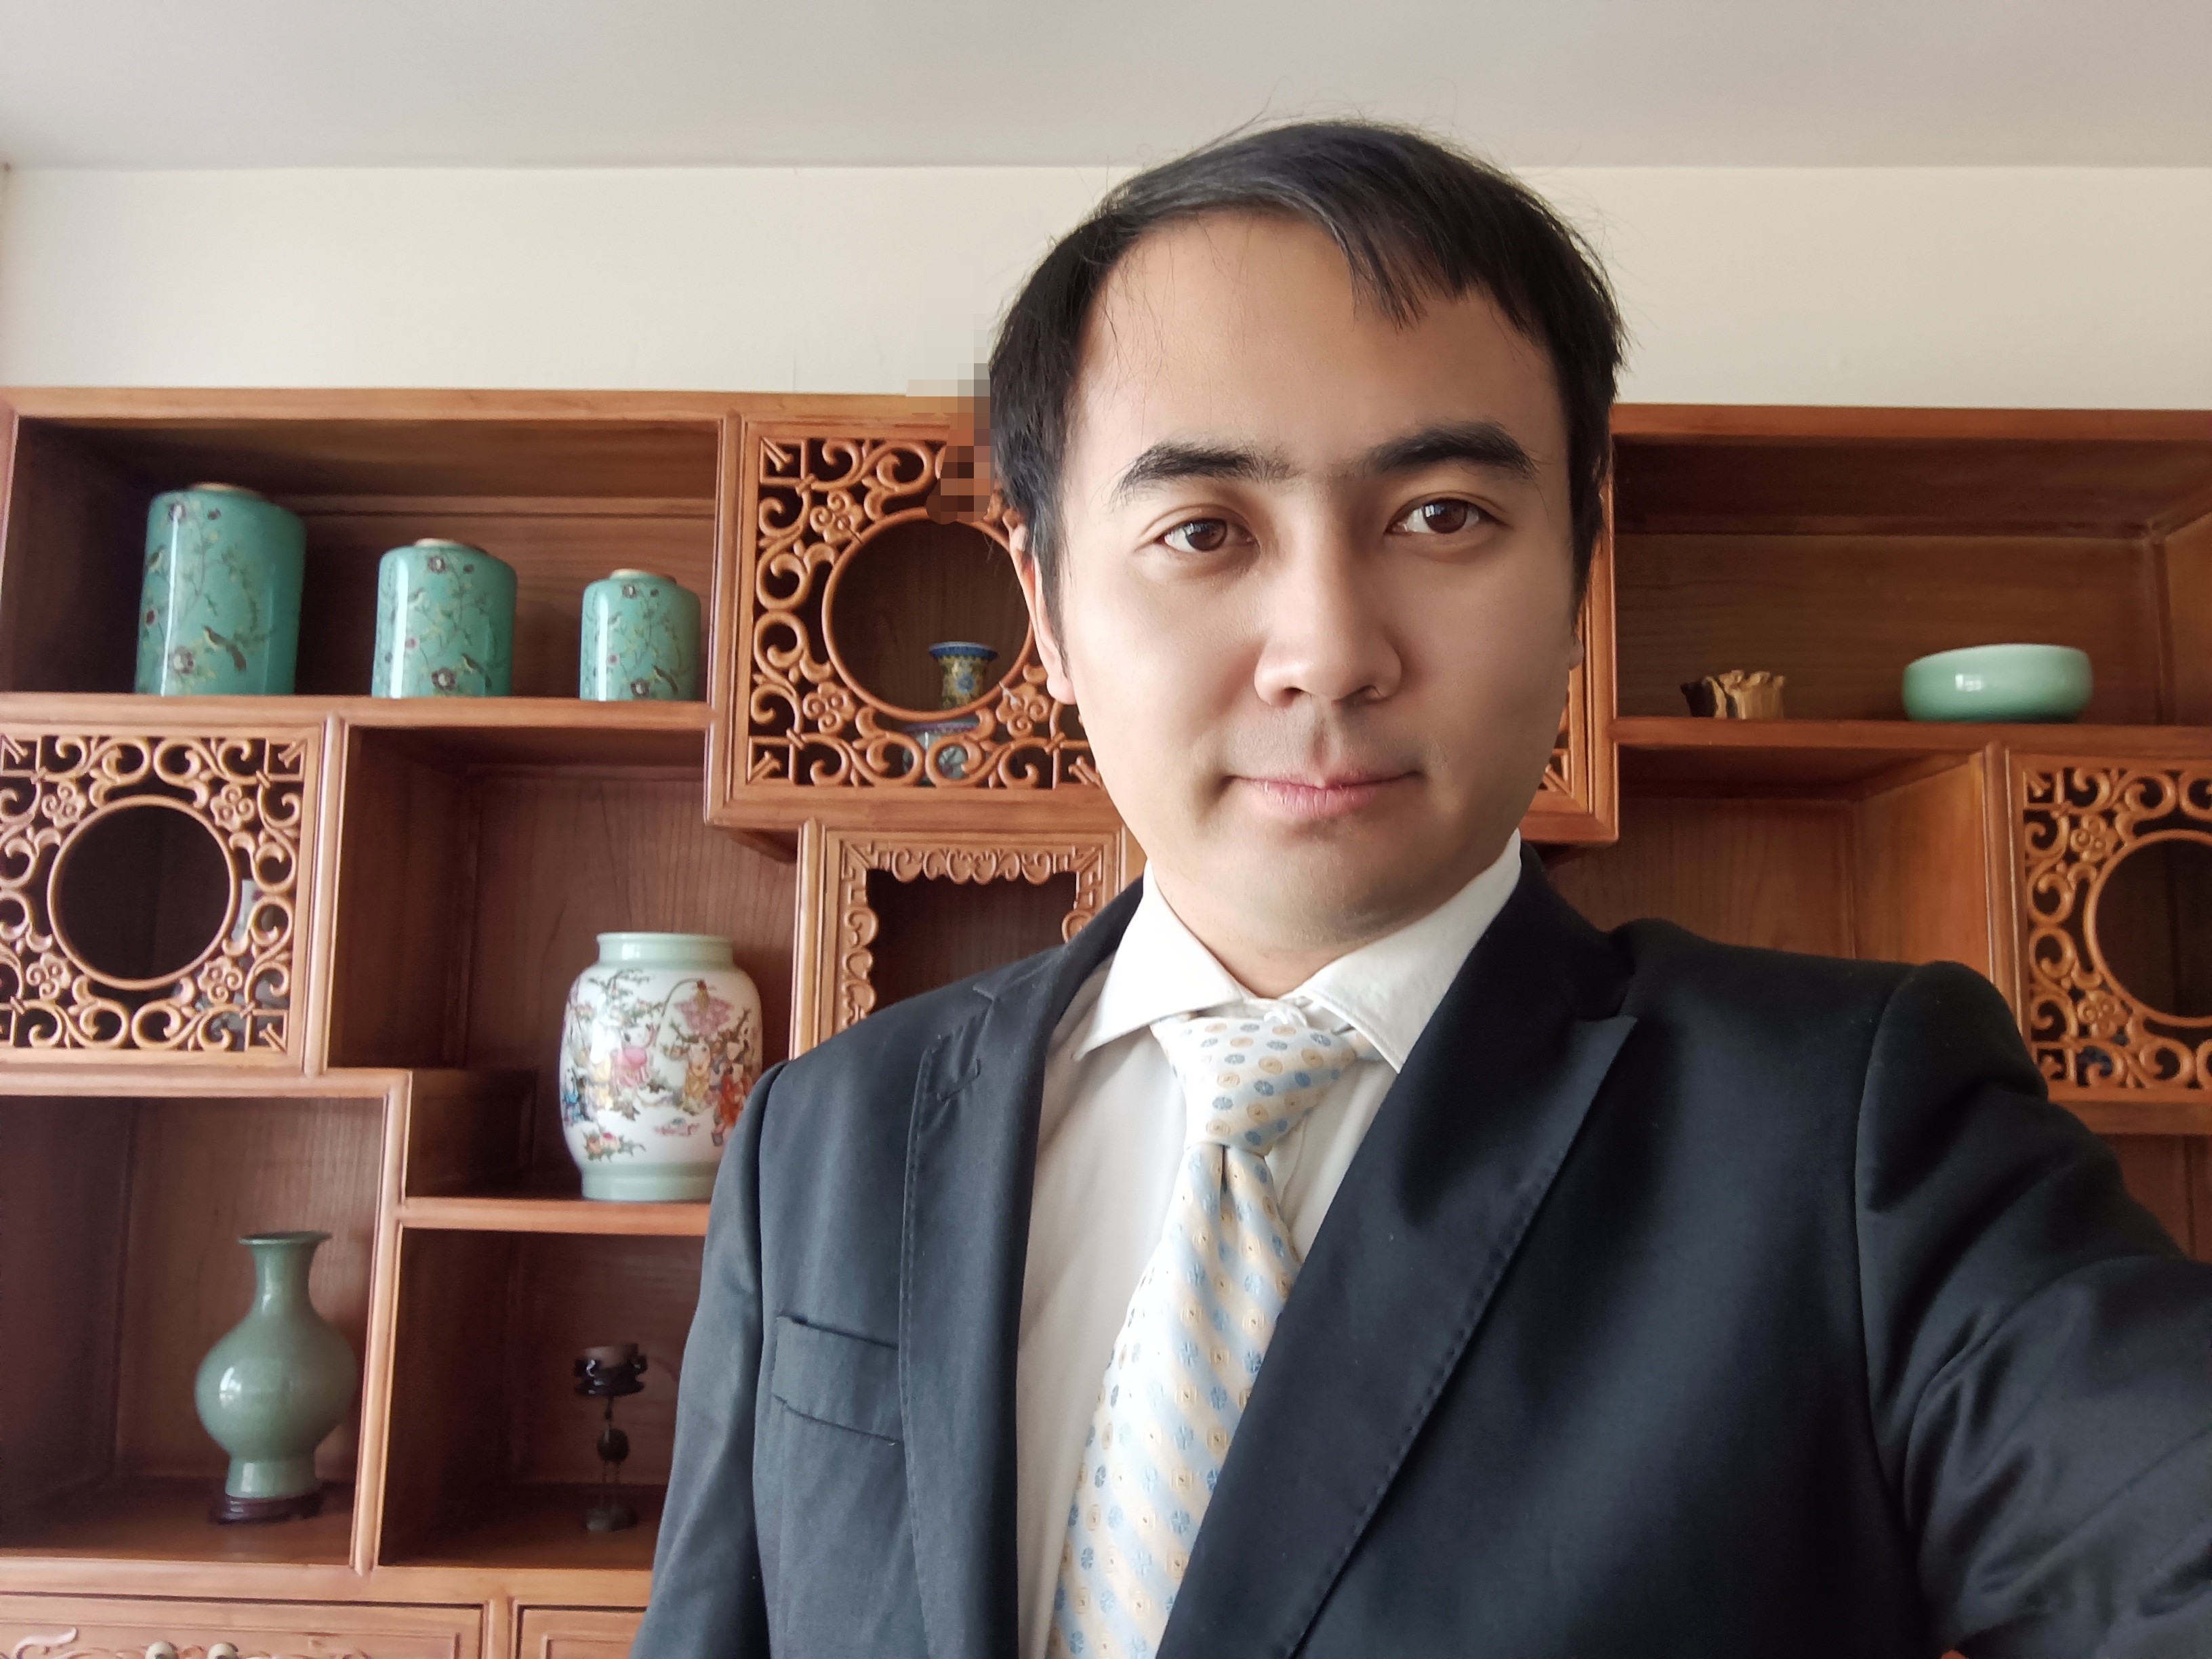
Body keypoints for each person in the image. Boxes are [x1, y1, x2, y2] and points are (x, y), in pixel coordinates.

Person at [632, 122, 2212, 1659]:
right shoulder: (826, 1136)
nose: (1327, 652)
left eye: (1442, 517)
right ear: (1044, 607)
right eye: (1202, 529)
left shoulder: (1860, 1134)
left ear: (1579, 579)